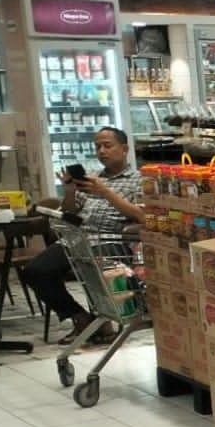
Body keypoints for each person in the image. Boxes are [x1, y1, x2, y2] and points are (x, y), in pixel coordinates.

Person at [25, 127, 144, 345]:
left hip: (111, 239)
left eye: (107, 145)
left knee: (90, 267)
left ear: (125, 149)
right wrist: (70, 191)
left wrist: (105, 192)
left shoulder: (139, 180)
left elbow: (141, 215)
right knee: (36, 270)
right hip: (78, 238)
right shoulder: (91, 178)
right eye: (97, 147)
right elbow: (69, 211)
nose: (101, 151)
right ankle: (80, 317)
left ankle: (104, 324)